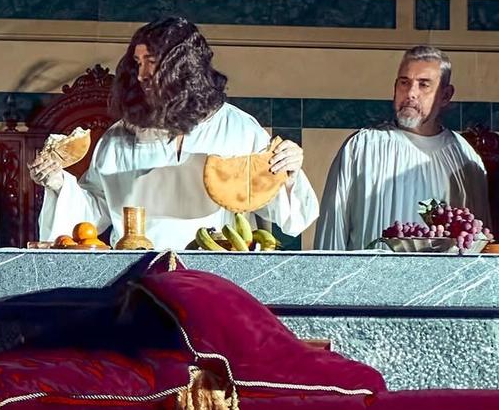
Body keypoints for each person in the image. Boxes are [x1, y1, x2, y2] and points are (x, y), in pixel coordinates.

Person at [32, 17, 317, 249]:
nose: (141, 73)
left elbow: (289, 216)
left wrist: (287, 170)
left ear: (182, 67)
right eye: (138, 61)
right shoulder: (120, 137)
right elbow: (94, 213)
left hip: (216, 275)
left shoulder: (238, 129)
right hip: (135, 277)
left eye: (152, 61)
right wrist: (59, 184)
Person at [313, 46, 490, 250]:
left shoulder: (464, 156)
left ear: (445, 95)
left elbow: (477, 241)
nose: (410, 93)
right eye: (404, 83)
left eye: (424, 85)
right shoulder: (361, 147)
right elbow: (332, 228)